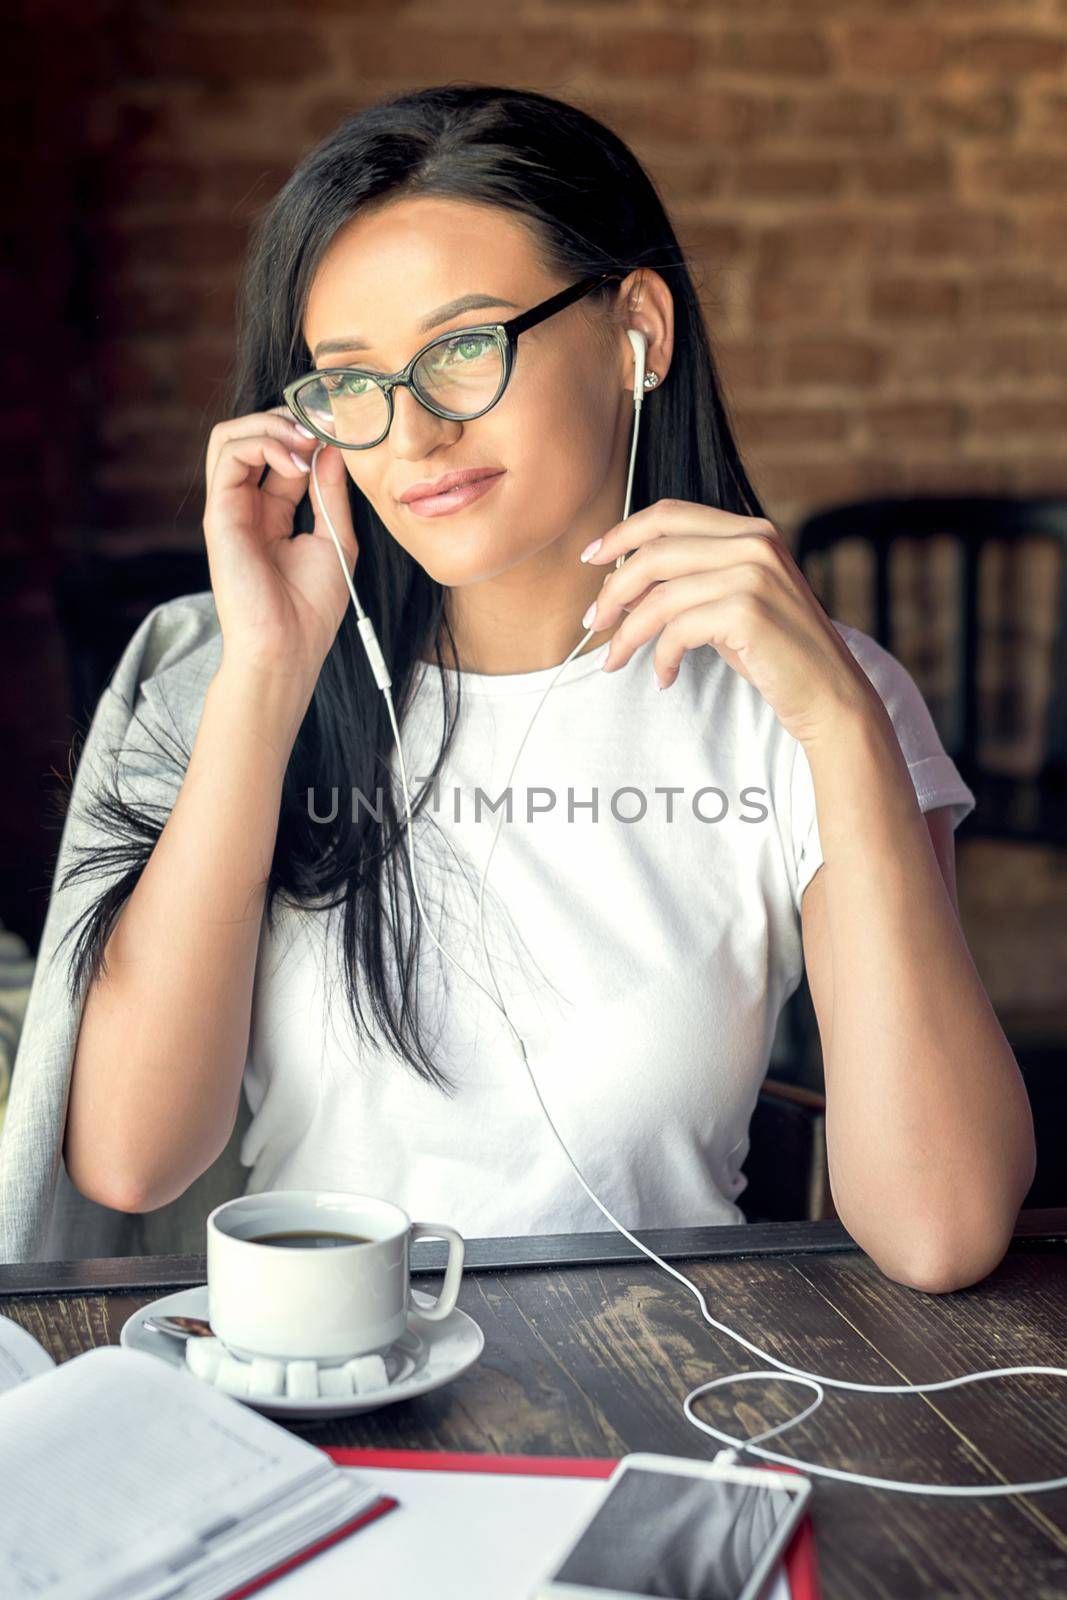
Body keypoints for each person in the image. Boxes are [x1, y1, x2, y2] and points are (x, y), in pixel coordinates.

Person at [0, 84, 1034, 1282]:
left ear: (635, 331)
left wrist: (839, 726)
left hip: (657, 1389)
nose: (409, 436)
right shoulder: (234, 685)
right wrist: (268, 677)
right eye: (353, 380)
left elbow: (940, 1232)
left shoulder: (809, 703)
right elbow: (130, 1160)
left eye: (461, 349)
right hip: (313, 1395)